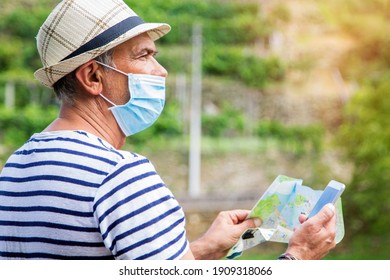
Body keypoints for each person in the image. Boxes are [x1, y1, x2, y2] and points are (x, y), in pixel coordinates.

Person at [0, 0, 336, 260]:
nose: (160, 71)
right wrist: (298, 256)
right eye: (143, 55)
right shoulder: (119, 176)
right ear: (92, 77)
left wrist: (201, 250)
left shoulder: (16, 167)